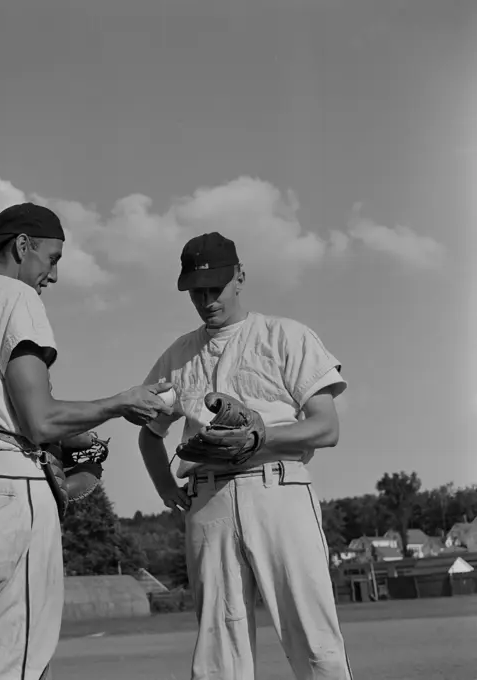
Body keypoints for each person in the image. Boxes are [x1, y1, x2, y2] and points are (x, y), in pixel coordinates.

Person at [0, 202, 173, 680]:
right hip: (6, 493)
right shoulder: (13, 296)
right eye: (51, 260)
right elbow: (41, 421)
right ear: (21, 246)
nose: (52, 275)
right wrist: (120, 403)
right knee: (16, 666)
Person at [138, 232, 353, 680]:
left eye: (215, 287)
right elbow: (149, 433)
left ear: (239, 277)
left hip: (277, 485)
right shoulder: (178, 355)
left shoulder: (284, 335)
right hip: (207, 497)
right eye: (196, 291)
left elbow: (326, 426)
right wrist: (165, 486)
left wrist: (261, 438)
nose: (206, 299)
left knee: (313, 640)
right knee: (218, 654)